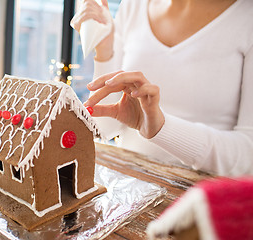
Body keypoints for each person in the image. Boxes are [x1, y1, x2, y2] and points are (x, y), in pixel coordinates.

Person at [70, 0, 253, 176]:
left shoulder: (246, 18)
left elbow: (248, 157)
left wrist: (162, 128)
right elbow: (106, 128)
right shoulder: (133, 5)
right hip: (129, 188)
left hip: (201, 200)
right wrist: (105, 51)